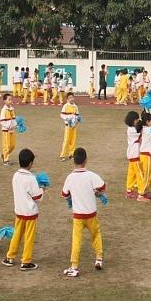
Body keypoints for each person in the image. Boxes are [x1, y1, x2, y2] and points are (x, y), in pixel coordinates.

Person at [61, 147, 106, 277]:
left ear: (73, 160)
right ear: (86, 160)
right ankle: (99, 259)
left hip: (78, 216)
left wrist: (71, 197)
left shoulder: (70, 177)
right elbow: (102, 187)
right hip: (91, 213)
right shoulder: (92, 175)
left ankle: (74, 266)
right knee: (96, 235)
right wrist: (96, 192)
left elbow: (64, 194)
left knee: (76, 240)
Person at [3, 148, 43, 270]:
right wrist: (43, 188)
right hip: (30, 212)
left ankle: (10, 257)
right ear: (30, 163)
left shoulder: (16, 176)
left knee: (17, 234)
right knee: (29, 237)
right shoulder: (31, 178)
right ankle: (26, 261)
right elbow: (37, 196)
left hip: (19, 211)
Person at [59, 93, 80, 161]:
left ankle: (71, 154)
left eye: (72, 97)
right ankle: (63, 155)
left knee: (73, 141)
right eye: (70, 98)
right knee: (66, 140)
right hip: (68, 126)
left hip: (74, 127)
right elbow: (62, 115)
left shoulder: (75, 107)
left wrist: (76, 122)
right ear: (67, 99)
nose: (72, 99)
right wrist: (67, 118)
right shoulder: (65, 106)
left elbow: (77, 116)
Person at [0, 93, 18, 166]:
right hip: (6, 131)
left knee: (12, 145)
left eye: (11, 99)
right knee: (6, 146)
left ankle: (4, 155)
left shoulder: (12, 109)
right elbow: (2, 121)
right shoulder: (3, 110)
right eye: (9, 99)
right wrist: (8, 126)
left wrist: (16, 125)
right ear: (4, 101)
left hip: (12, 130)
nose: (10, 101)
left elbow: (13, 119)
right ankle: (6, 160)